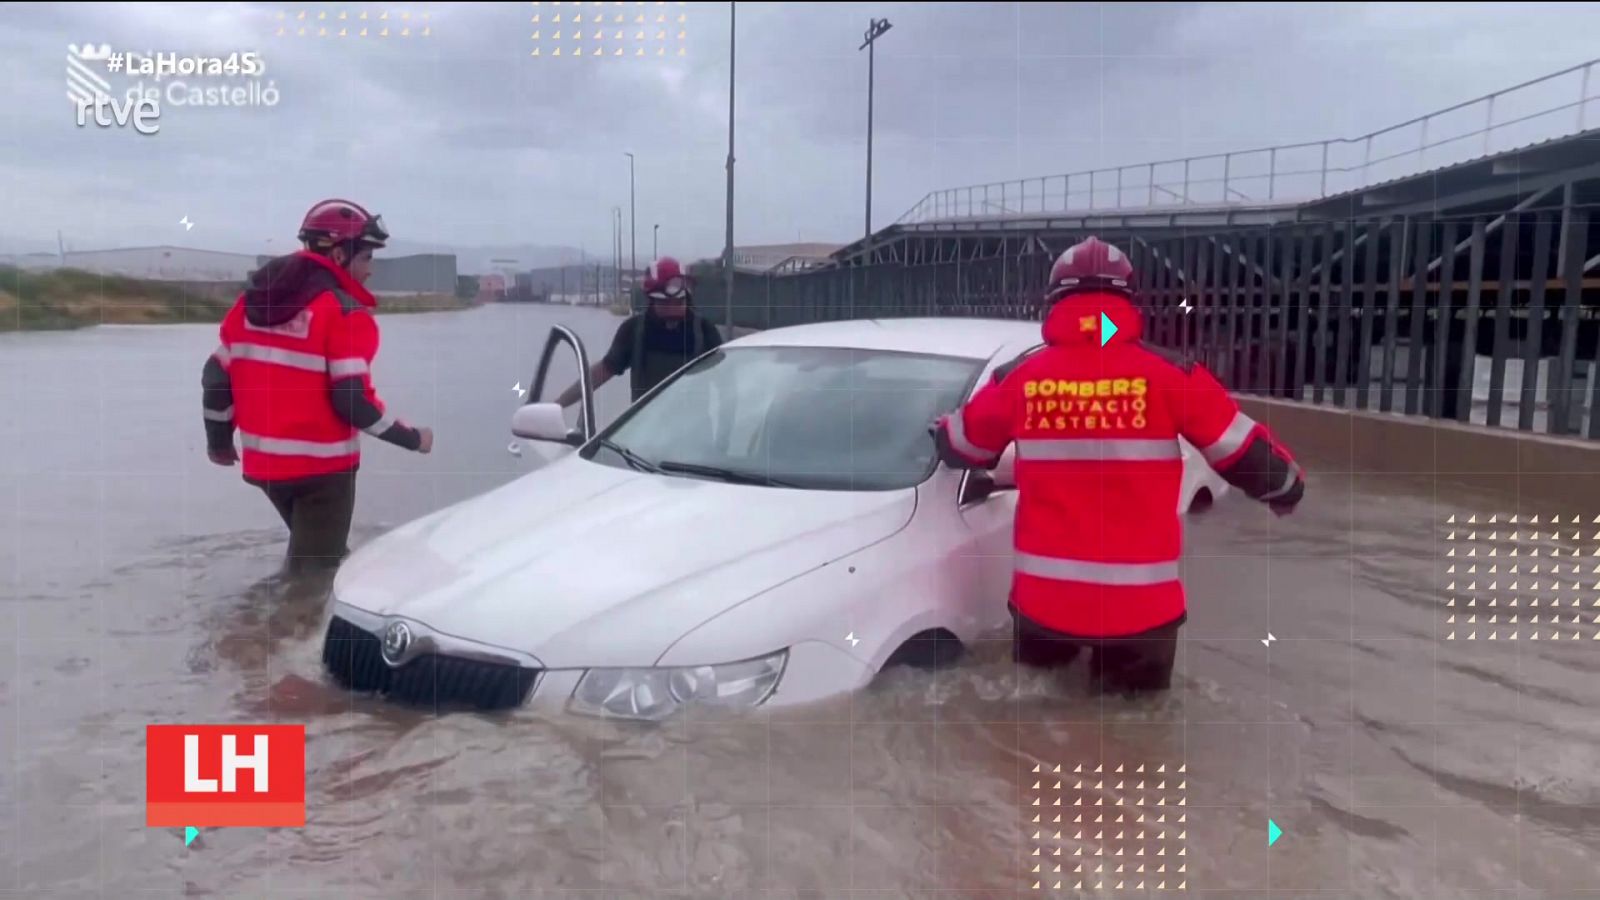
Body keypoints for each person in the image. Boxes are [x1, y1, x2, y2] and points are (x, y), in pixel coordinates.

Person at [932, 236, 1305, 695]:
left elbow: (963, 446)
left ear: (1055, 300)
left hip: (1046, 604)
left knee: (1035, 718)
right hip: (1140, 612)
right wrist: (1286, 490)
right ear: (1128, 300)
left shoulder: (1019, 378)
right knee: (1136, 728)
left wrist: (941, 430)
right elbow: (1246, 455)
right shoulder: (1172, 375)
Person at [201, 198, 434, 573]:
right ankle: (285, 614)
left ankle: (290, 609)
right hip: (323, 473)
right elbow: (352, 402)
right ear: (339, 255)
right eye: (366, 257)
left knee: (319, 557)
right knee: (315, 575)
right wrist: (413, 438)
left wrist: (219, 442)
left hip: (266, 469)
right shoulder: (344, 313)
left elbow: (215, 377)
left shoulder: (248, 307)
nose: (371, 270)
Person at [557, 255, 723, 408]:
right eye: (665, 304)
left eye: (679, 303)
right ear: (652, 300)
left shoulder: (705, 332)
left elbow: (725, 382)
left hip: (695, 429)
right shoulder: (633, 330)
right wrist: (556, 406)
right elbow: (602, 372)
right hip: (645, 428)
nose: (673, 309)